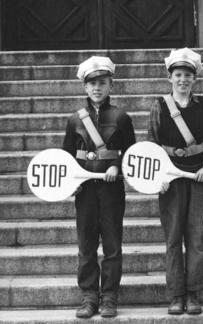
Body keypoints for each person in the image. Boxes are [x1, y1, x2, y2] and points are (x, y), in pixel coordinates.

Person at [148, 48, 203, 315]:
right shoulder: (159, 106)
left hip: (196, 179)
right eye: (178, 74)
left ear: (195, 78)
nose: (183, 79)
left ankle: (193, 293)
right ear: (170, 78)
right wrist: (159, 177)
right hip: (170, 181)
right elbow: (152, 147)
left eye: (188, 75)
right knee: (172, 238)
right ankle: (175, 295)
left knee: (195, 238)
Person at [63, 56, 136, 318]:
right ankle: (88, 297)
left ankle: (109, 298)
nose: (97, 88)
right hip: (85, 192)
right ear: (84, 87)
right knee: (86, 244)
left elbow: (132, 155)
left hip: (111, 190)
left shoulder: (122, 117)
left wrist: (118, 166)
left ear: (111, 86)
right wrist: (70, 182)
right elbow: (66, 157)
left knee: (113, 245)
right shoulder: (74, 120)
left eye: (102, 83)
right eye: (92, 83)